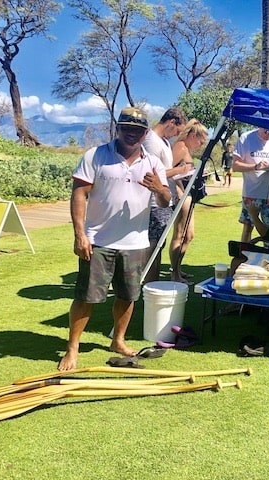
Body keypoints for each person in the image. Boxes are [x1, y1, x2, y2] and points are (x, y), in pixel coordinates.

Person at [58, 107, 171, 371]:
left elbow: (166, 201)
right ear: (117, 129)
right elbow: (79, 195)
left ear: (145, 134)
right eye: (126, 128)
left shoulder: (153, 162)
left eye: (138, 130)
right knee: (86, 296)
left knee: (128, 295)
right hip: (98, 240)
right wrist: (80, 235)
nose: (132, 134)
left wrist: (158, 189)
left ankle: (118, 341)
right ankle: (72, 348)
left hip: (135, 242)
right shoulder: (96, 155)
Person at [143, 106, 188, 283]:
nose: (177, 134)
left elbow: (165, 171)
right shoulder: (151, 142)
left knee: (159, 246)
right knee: (152, 247)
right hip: (153, 203)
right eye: (178, 130)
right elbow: (151, 175)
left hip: (165, 201)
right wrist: (180, 170)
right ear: (171, 123)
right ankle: (149, 285)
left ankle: (154, 284)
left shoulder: (164, 142)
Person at [169, 119, 209, 283]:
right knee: (180, 234)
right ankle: (175, 274)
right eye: (200, 140)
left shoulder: (185, 149)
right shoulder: (180, 147)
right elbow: (167, 170)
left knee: (189, 235)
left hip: (189, 194)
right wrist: (178, 188)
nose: (201, 144)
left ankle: (178, 269)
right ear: (192, 135)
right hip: (182, 195)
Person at [232, 127, 269, 243]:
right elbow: (235, 166)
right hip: (251, 193)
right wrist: (255, 167)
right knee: (247, 229)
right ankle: (242, 257)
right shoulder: (246, 138)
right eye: (267, 131)